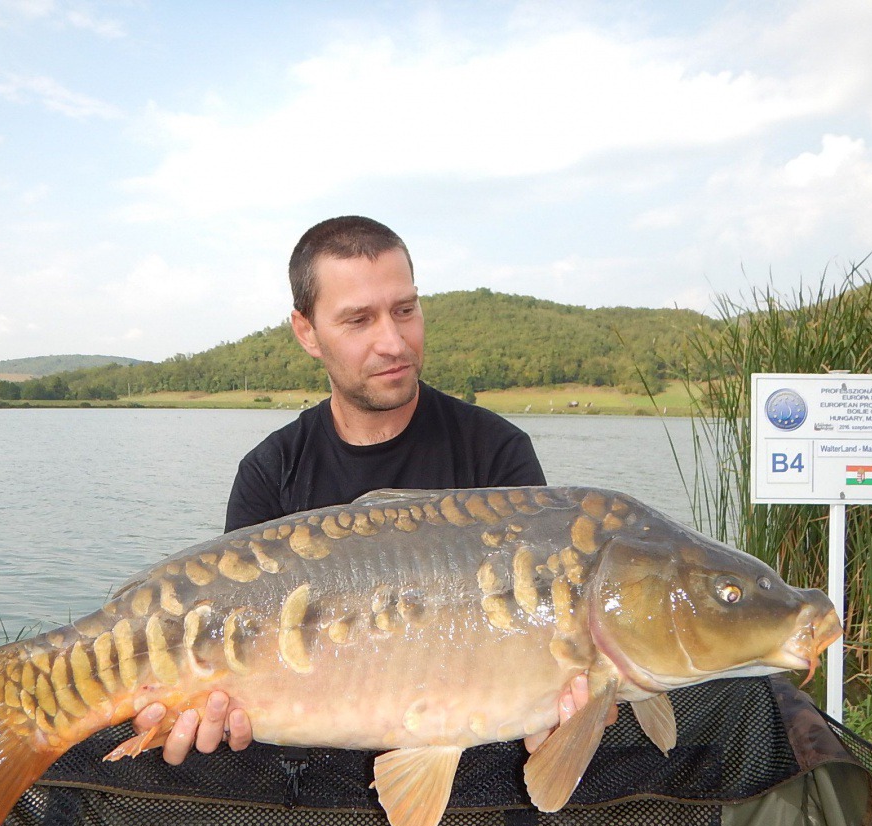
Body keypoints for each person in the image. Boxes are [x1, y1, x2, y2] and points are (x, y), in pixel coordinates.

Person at [131, 214, 595, 761]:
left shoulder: (495, 452)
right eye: (358, 320)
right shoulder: (270, 470)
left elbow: (541, 631)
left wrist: (557, 711)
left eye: (405, 310)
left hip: (467, 765)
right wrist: (205, 710)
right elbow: (235, 644)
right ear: (307, 331)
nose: (393, 342)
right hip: (310, 775)